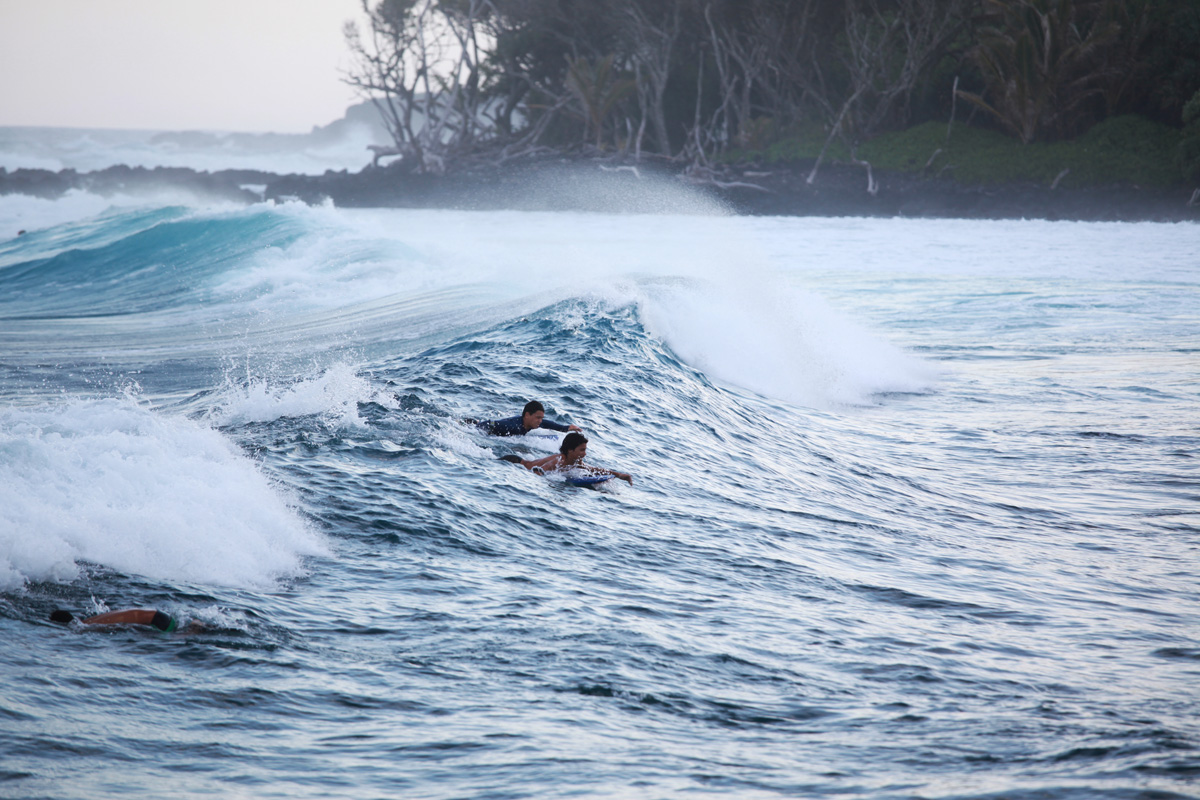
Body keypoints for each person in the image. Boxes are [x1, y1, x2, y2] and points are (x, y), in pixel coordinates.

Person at [512, 431, 633, 485]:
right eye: (582, 450)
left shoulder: (577, 462)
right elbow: (539, 470)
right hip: (517, 463)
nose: (585, 454)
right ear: (570, 450)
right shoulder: (560, 460)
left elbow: (595, 470)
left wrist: (621, 475)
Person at [472, 400, 583, 437]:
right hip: (486, 429)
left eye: (541, 418)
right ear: (527, 415)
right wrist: (477, 431)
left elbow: (550, 424)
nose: (540, 421)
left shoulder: (534, 422)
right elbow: (490, 424)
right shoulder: (514, 427)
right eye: (538, 417)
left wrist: (568, 428)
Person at [51, 608, 179, 633]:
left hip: (158, 620)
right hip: (158, 614)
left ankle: (193, 629)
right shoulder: (88, 621)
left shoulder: (85, 625)